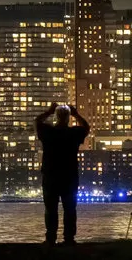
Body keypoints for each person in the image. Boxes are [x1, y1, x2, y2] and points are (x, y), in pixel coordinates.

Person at [35, 103, 90, 246]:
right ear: (68, 118)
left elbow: (37, 121)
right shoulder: (74, 133)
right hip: (69, 176)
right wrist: (76, 114)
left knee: (50, 209)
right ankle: (69, 238)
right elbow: (86, 127)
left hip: (50, 175)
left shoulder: (48, 132)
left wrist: (48, 111)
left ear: (55, 116)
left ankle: (50, 238)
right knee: (70, 209)